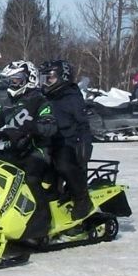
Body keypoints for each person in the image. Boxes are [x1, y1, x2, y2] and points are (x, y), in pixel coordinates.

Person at [39, 59, 94, 220]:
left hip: (67, 142)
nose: (47, 81)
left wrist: (85, 145)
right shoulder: (45, 95)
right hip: (47, 140)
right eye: (45, 78)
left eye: (50, 77)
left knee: (63, 165)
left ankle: (82, 199)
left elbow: (83, 123)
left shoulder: (71, 96)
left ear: (62, 76)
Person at [0, 60, 57, 192]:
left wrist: (32, 127)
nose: (12, 83)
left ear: (30, 79)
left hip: (36, 150)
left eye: (15, 80)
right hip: (12, 149)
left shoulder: (41, 101)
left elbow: (50, 126)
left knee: (29, 180)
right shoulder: (9, 102)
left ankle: (41, 212)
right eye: (10, 80)